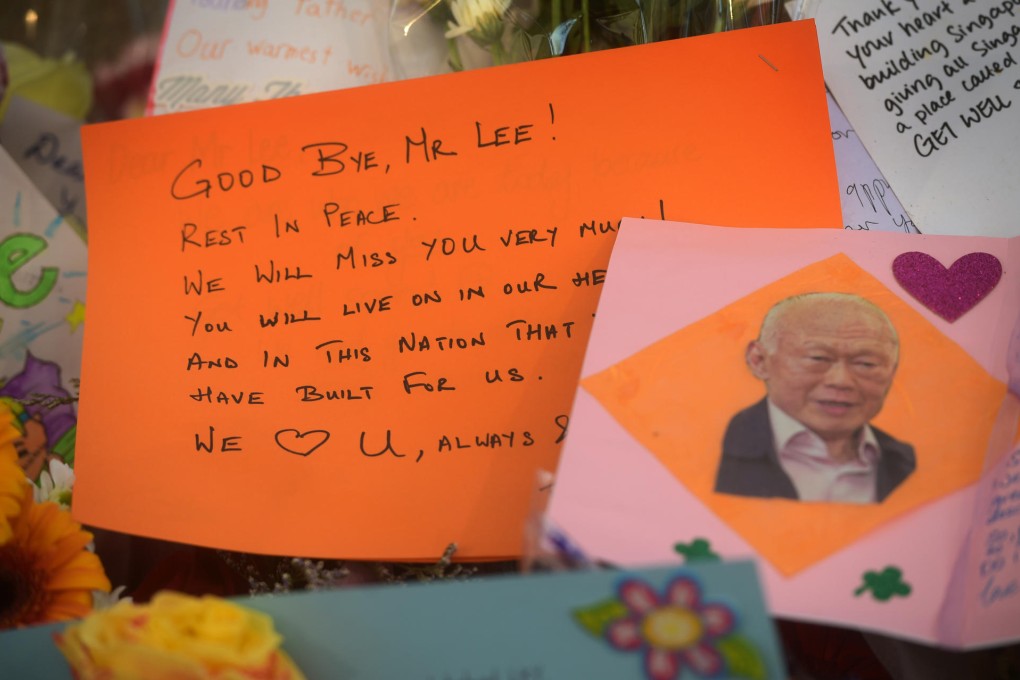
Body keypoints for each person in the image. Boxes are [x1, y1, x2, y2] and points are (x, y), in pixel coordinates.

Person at [714, 292, 915, 503]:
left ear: (892, 371)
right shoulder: (716, 448)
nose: (841, 380)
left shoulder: (905, 464)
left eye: (866, 363)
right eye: (818, 358)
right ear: (759, 361)